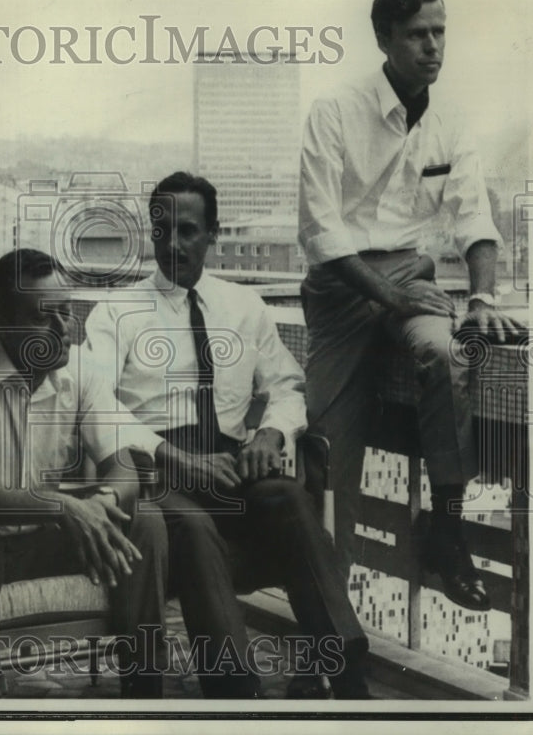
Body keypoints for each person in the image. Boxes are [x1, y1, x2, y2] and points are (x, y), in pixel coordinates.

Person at [85, 172, 369, 700]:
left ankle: (347, 666)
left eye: (189, 230)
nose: (174, 244)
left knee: (287, 494)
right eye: (163, 229)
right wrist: (174, 457)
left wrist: (272, 434)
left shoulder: (244, 307)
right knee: (192, 527)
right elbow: (94, 405)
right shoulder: (116, 314)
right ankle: (236, 688)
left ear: (212, 233)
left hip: (229, 466)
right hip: (156, 475)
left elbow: (287, 385)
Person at [297, 0, 524, 610]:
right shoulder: (335, 111)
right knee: (328, 463)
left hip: (411, 277)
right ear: (384, 40)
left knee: (449, 358)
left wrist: (481, 301)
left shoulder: (449, 119)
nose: (433, 47)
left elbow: (474, 218)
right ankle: (328, 637)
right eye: (418, 34)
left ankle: (445, 532)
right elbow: (320, 232)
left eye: (440, 32)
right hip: (343, 292)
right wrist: (391, 300)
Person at [0, 248, 168, 698]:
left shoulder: (79, 369)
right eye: (43, 318)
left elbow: (124, 463)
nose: (64, 330)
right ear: (0, 320)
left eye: (67, 313)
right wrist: (65, 506)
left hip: (34, 536)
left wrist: (102, 505)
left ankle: (146, 699)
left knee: (143, 520)